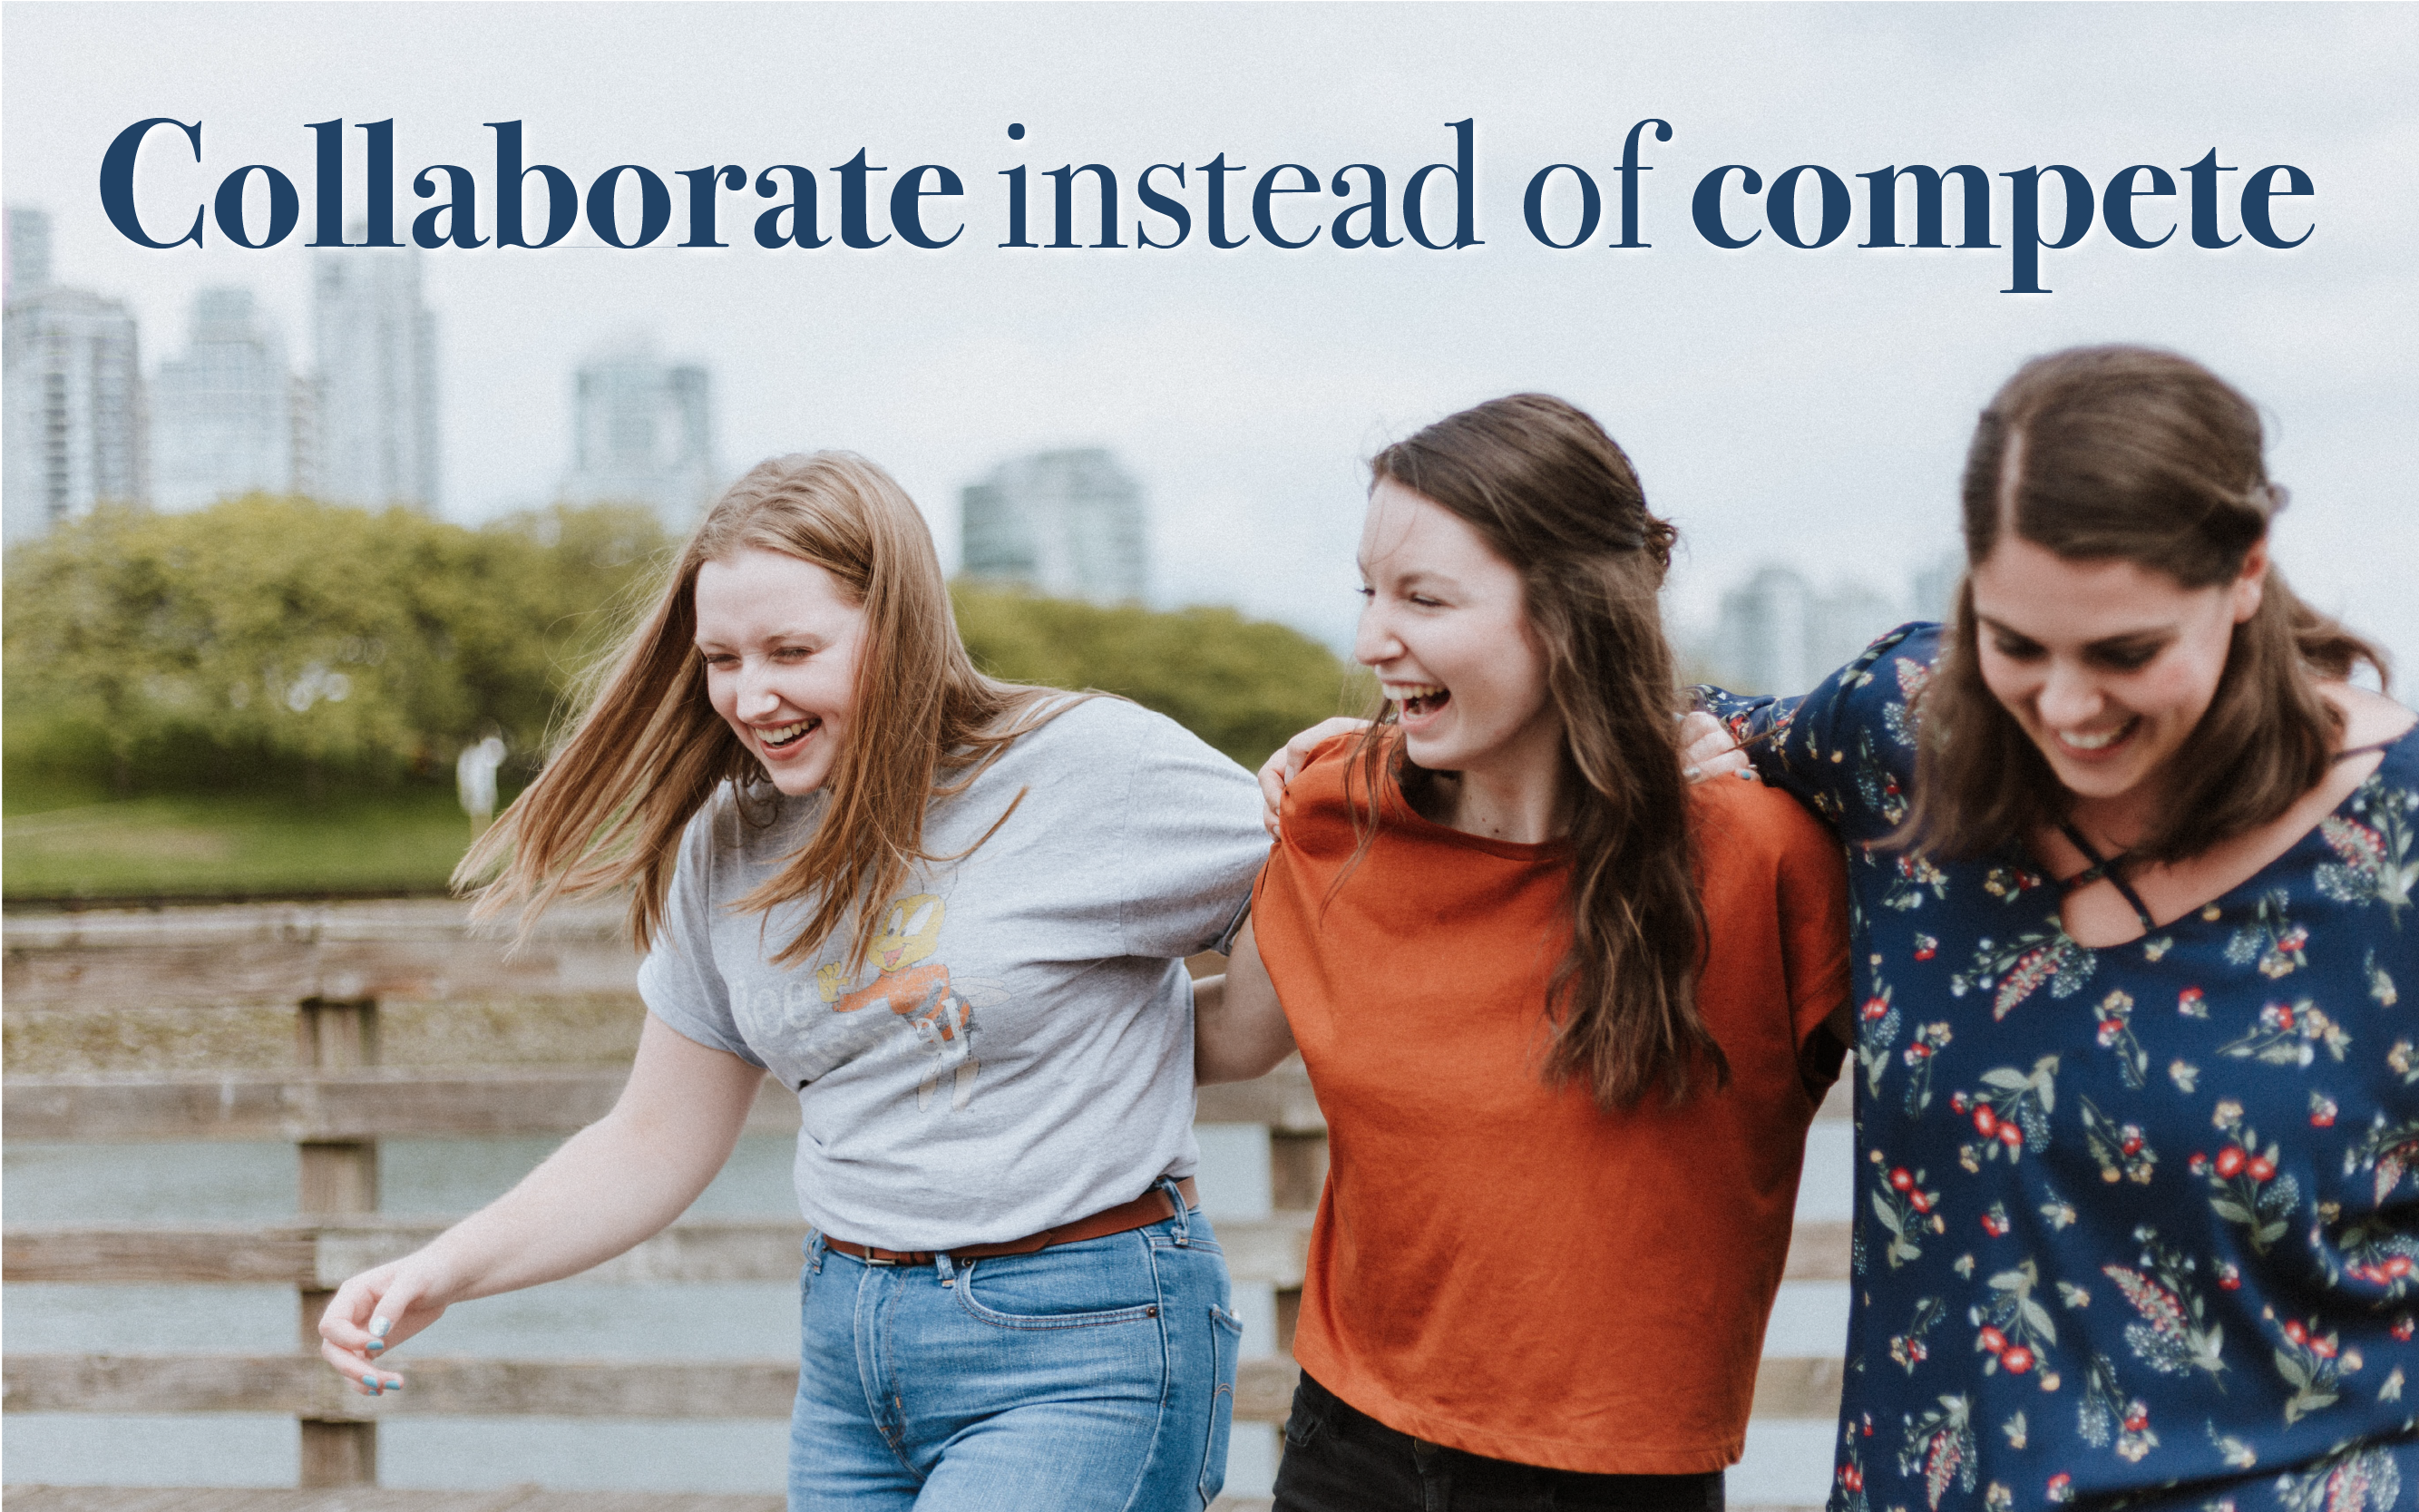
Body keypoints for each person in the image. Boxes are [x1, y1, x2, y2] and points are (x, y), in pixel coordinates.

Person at [317, 452, 1271, 1511]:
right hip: (853, 1353)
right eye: (722, 657)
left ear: (899, 626)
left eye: (792, 650)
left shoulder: (1088, 768)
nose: (750, 694)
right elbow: (653, 1138)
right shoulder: (729, 843)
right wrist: (443, 1266)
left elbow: (1319, 899)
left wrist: (1203, 1025)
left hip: (1083, 1344)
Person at [1678, 346, 2416, 1507]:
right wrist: (1362, 770)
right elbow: (1655, 730)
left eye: (2126, 652)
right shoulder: (1904, 731)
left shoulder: (2401, 844)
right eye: (2016, 645)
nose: (2067, 707)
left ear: (2246, 572)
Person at [1197, 393, 1855, 1510]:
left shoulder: (1763, 856)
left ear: (1570, 613)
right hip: (1343, 1450)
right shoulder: (1330, 811)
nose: (1369, 640)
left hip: (1608, 1477)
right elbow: (1225, 1038)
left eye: (1424, 597)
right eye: (1368, 590)